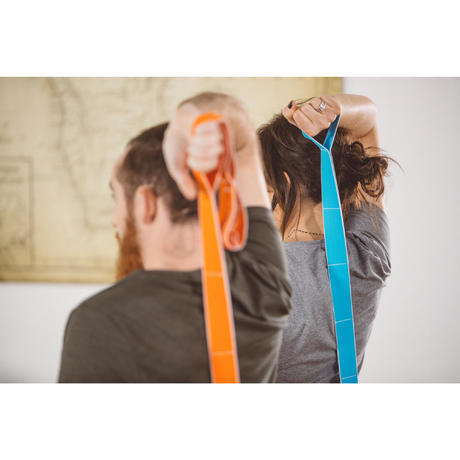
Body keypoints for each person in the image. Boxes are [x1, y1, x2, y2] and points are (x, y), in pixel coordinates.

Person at [58, 92, 292, 383]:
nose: (114, 218)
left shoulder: (99, 322)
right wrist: (190, 118)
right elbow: (243, 143)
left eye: (117, 198)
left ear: (146, 203)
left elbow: (243, 148)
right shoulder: (262, 284)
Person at [258, 94, 392, 383]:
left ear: (282, 184)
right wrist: (332, 107)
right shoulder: (367, 255)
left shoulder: (256, 277)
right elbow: (367, 124)